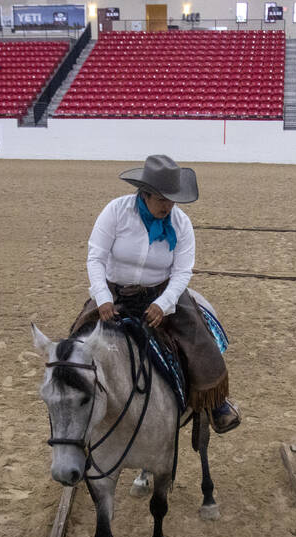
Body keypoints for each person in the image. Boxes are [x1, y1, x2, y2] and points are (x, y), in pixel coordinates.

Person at [71, 155, 241, 433]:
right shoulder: (115, 211)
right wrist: (102, 298)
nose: (168, 206)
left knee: (200, 341)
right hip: (114, 295)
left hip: (163, 292)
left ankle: (216, 402)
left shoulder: (182, 224)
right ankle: (75, 408)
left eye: (172, 199)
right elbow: (96, 258)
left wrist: (163, 303)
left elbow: (183, 271)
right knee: (76, 339)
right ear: (145, 194)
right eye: (162, 199)